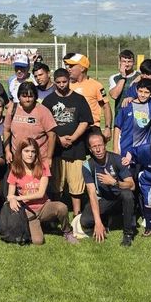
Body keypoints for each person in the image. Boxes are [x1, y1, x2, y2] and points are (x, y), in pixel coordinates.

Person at [2, 137, 73, 245]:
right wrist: (11, 199)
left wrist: (17, 198)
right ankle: (37, 226)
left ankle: (67, 231)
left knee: (62, 207)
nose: (30, 155)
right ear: (20, 152)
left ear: (36, 153)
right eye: (26, 151)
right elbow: (10, 195)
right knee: (38, 241)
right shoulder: (15, 170)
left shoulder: (43, 167)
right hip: (27, 211)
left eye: (33, 151)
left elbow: (40, 193)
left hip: (43, 206)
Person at [41, 68, 92, 218]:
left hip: (76, 149)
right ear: (54, 82)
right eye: (58, 82)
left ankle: (77, 214)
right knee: (56, 185)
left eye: (64, 82)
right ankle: (56, 213)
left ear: (69, 80)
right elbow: (45, 125)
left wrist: (74, 137)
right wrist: (58, 139)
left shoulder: (79, 99)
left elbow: (85, 121)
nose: (62, 85)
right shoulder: (49, 101)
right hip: (56, 150)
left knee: (76, 186)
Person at [82, 131, 136, 246]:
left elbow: (132, 185)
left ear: (105, 145)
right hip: (104, 199)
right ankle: (106, 221)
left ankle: (127, 234)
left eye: (100, 145)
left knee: (127, 194)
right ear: (90, 149)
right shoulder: (87, 166)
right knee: (85, 221)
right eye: (94, 147)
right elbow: (92, 194)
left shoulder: (116, 159)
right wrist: (97, 222)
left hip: (118, 197)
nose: (98, 149)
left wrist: (114, 182)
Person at [3, 81, 57, 166]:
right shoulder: (12, 109)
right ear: (19, 97)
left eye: (30, 96)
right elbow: (6, 131)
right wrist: (7, 151)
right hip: (17, 159)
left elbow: (52, 135)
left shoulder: (43, 111)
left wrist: (49, 157)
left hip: (38, 160)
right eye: (24, 96)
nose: (27, 99)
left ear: (35, 97)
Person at [66, 53, 112, 137]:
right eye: (68, 66)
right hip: (73, 129)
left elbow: (106, 107)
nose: (69, 68)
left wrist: (107, 127)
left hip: (91, 129)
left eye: (72, 66)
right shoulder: (66, 85)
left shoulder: (96, 85)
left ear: (82, 68)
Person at [113, 77, 151, 157]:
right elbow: (117, 127)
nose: (142, 95)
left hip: (144, 150)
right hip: (126, 148)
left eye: (146, 92)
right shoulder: (127, 106)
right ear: (136, 91)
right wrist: (115, 148)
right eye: (140, 91)